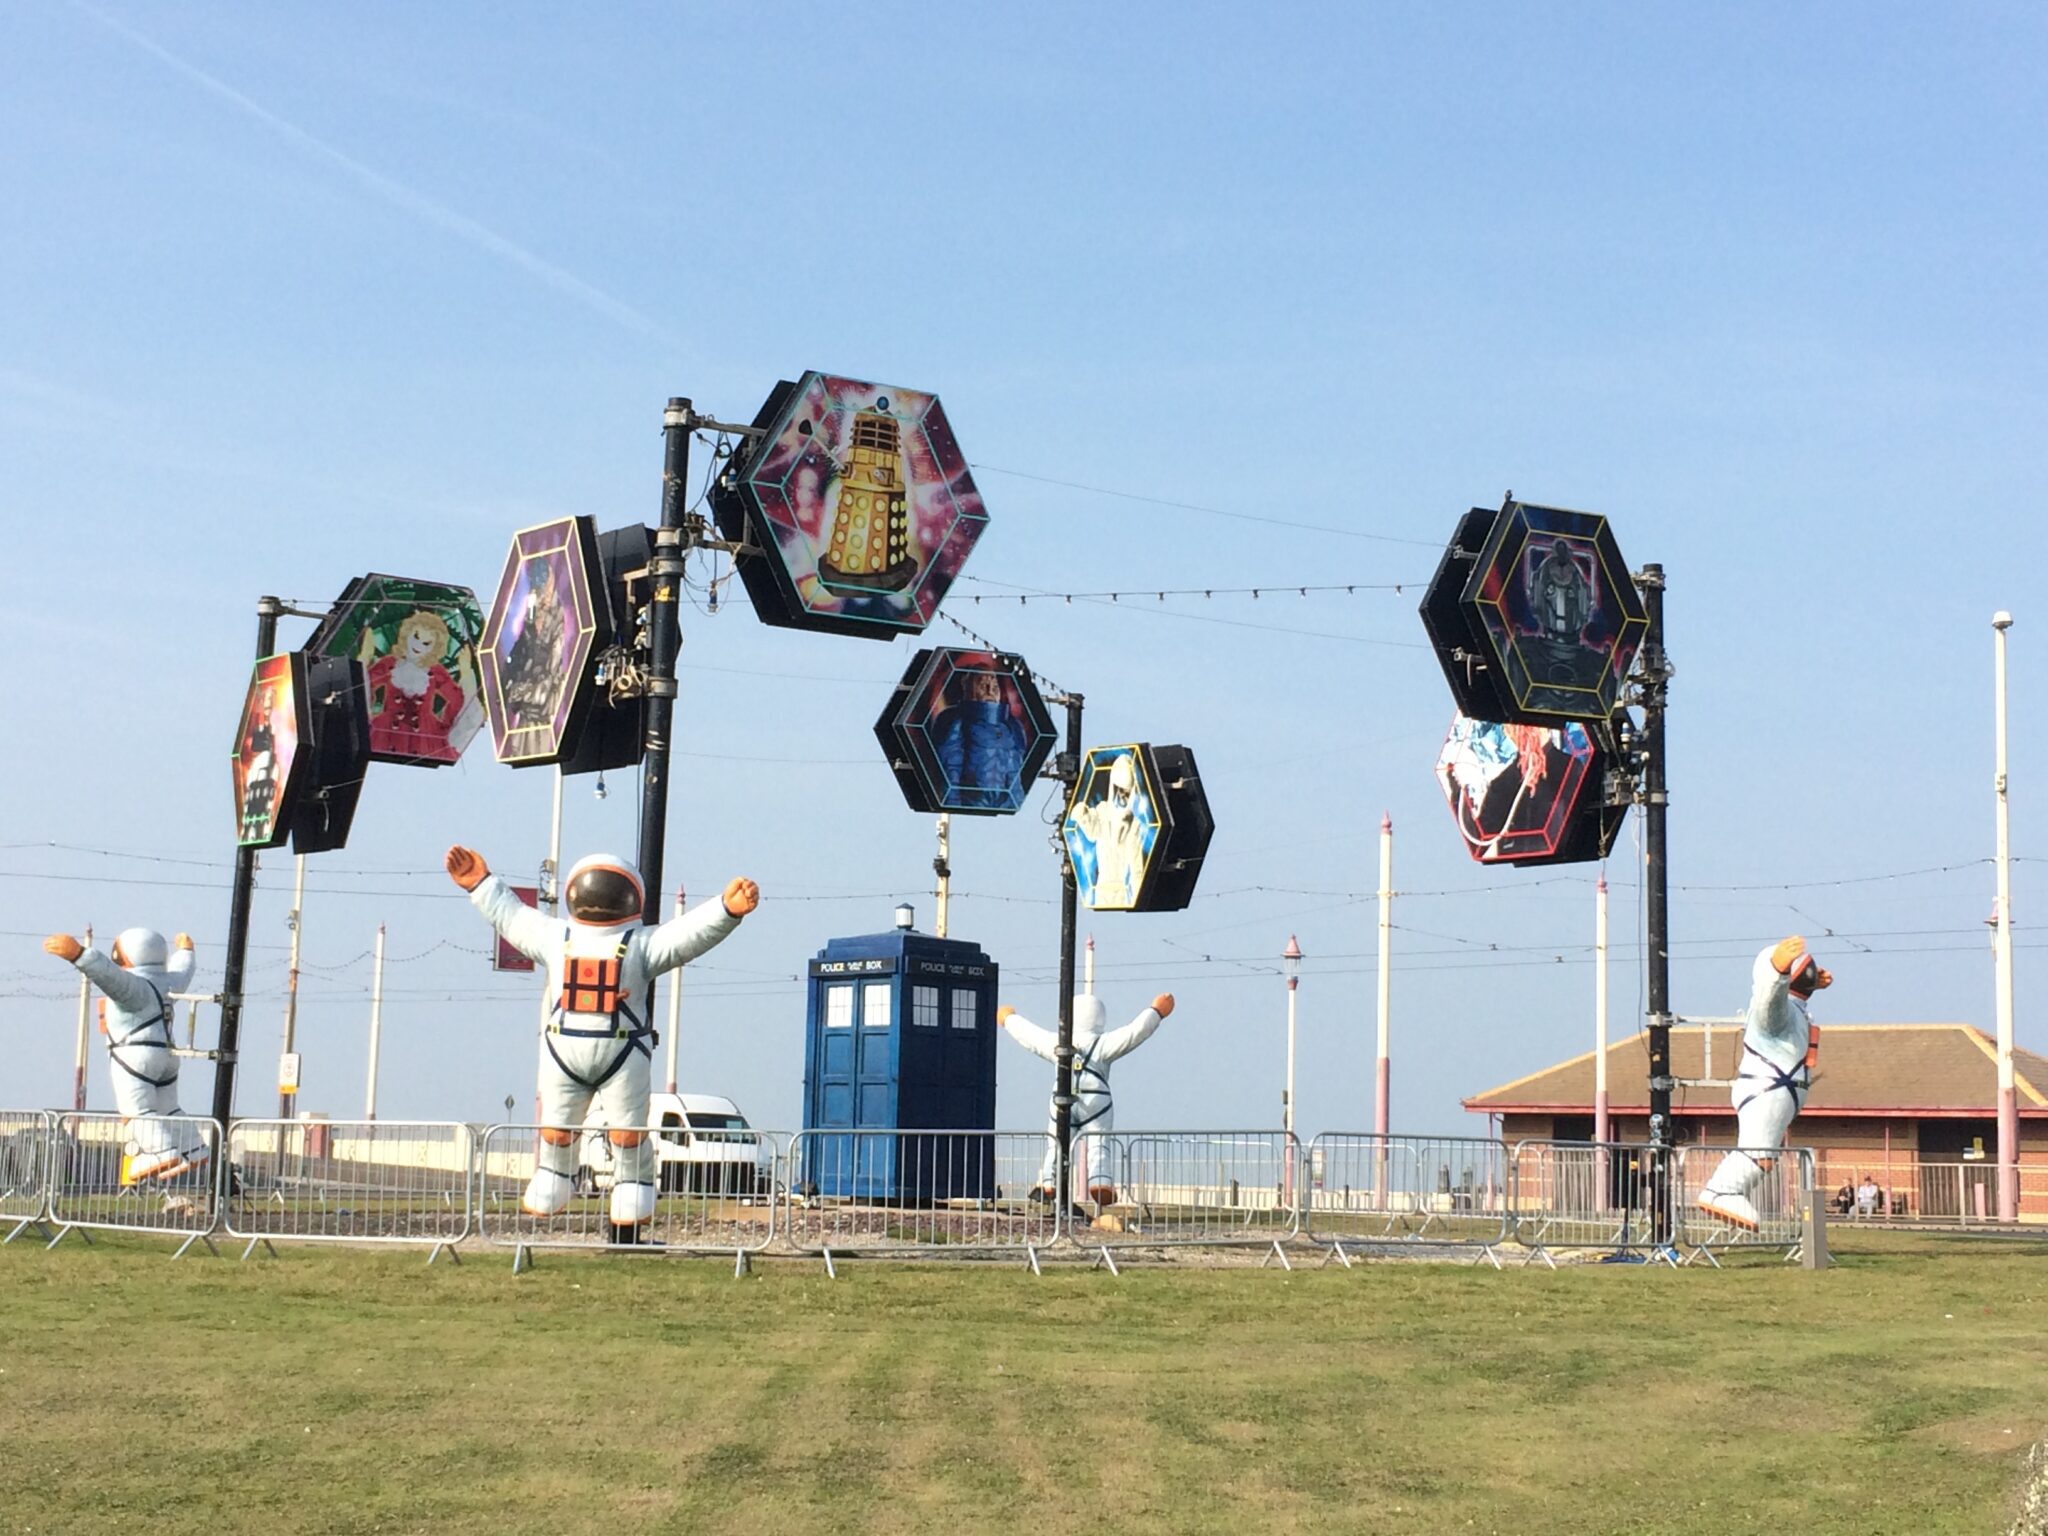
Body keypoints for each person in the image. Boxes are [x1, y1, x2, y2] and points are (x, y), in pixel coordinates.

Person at [447, 844, 757, 1228]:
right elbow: (513, 917)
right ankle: (554, 1175)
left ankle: (634, 1182)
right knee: (557, 1130)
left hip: (621, 1051)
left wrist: (724, 911)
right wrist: (481, 884)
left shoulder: (640, 944)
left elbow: (686, 935)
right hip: (571, 1051)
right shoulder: (557, 936)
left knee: (628, 1133)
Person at [42, 928, 208, 1183]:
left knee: (136, 1110)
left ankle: (160, 1151)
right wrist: (186, 951)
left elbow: (108, 975)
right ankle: (193, 1147)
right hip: (167, 1055)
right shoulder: (168, 981)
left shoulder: (133, 987)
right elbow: (183, 969)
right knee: (167, 1107)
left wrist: (78, 955)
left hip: (133, 1054)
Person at [1697, 935, 1833, 1230]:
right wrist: (1777, 970)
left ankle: (1726, 1191)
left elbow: (1788, 999)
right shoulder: (1769, 1013)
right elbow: (1769, 999)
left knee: (1765, 1157)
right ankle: (1721, 1190)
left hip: (1778, 1093)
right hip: (1766, 1090)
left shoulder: (1793, 1008)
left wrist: (1808, 986)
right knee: (1757, 1152)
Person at [997, 990, 1173, 1206]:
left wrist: (1009, 1019)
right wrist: (1156, 1011)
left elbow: (1030, 1035)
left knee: (1056, 1143)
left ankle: (1048, 1181)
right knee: (1099, 1144)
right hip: (1097, 1100)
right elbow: (1134, 1032)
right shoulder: (1104, 1043)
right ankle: (1100, 1181)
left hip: (1062, 1097)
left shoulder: (1056, 1042)